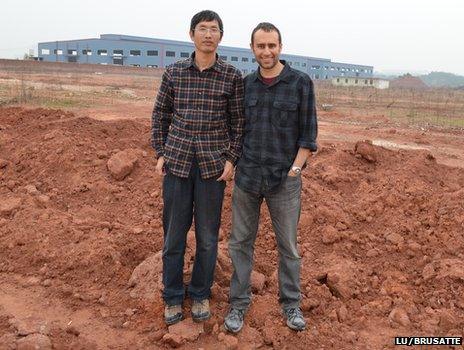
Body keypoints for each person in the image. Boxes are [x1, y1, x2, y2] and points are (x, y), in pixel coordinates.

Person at [151, 10, 244, 325]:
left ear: (221, 36)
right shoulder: (175, 72)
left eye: (214, 29)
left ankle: (201, 294)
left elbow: (238, 123)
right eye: (202, 29)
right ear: (191, 34)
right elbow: (160, 114)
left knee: (207, 236)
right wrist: (160, 152)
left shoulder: (231, 76)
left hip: (211, 169)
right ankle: (173, 297)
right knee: (174, 235)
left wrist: (231, 160)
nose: (208, 34)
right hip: (176, 164)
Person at [224, 22, 318, 333]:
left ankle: (291, 304)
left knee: (288, 247)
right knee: (239, 244)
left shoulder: (300, 83)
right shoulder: (245, 85)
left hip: (284, 182)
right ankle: (238, 303)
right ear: (252, 49)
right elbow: (235, 130)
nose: (267, 51)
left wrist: (295, 171)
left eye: (272, 45)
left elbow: (308, 136)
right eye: (261, 46)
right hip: (248, 179)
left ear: (280, 46)